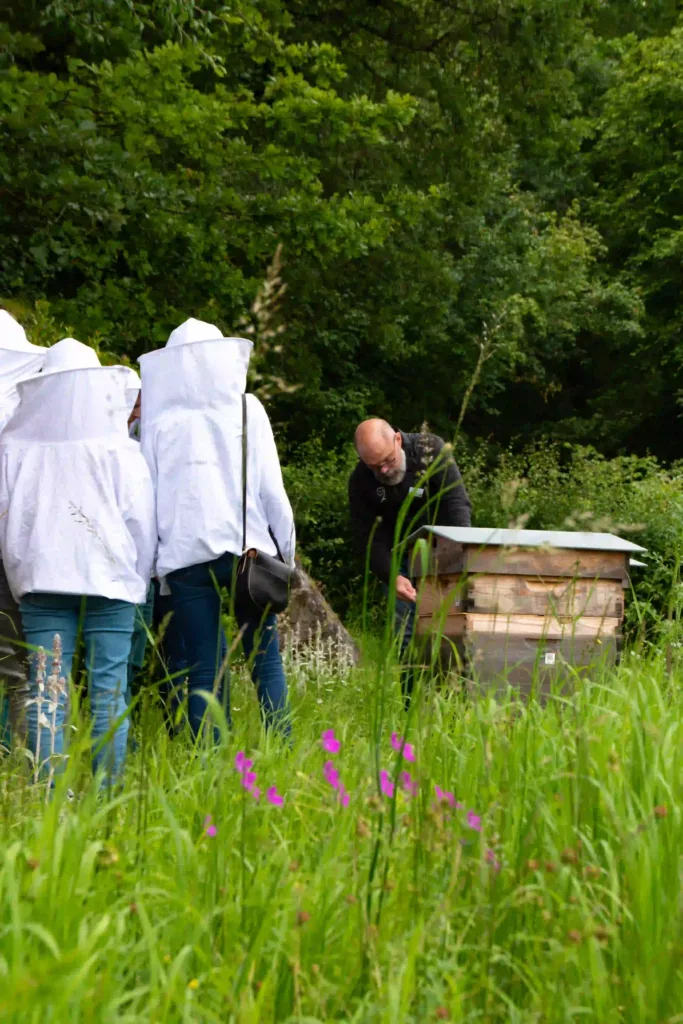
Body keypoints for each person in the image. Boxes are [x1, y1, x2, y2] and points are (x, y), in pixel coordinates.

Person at [0, 338, 157, 783]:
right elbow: (141, 521)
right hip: (112, 580)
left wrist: (19, 578)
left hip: (41, 580)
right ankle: (107, 799)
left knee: (46, 694)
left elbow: (5, 523)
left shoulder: (14, 444)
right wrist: (137, 578)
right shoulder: (118, 447)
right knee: (109, 690)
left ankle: (49, 797)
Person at [139, 318, 295, 741]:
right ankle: (282, 750)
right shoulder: (248, 408)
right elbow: (272, 492)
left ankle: (207, 765)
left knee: (203, 670)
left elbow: (147, 502)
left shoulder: (156, 422)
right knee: (265, 660)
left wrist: (152, 570)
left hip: (185, 559)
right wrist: (287, 556)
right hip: (249, 555)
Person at [348, 418, 471, 700]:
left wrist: (459, 556)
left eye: (388, 460)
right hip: (397, 562)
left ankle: (454, 700)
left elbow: (456, 503)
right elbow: (368, 538)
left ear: (398, 441)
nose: (384, 470)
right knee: (405, 637)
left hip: (442, 554)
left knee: (449, 630)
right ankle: (411, 704)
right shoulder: (360, 481)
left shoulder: (430, 450)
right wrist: (392, 577)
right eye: (374, 466)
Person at [0, 311, 45, 746]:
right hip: (16, 546)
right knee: (15, 660)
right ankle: (22, 756)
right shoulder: (23, 409)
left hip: (11, 546)